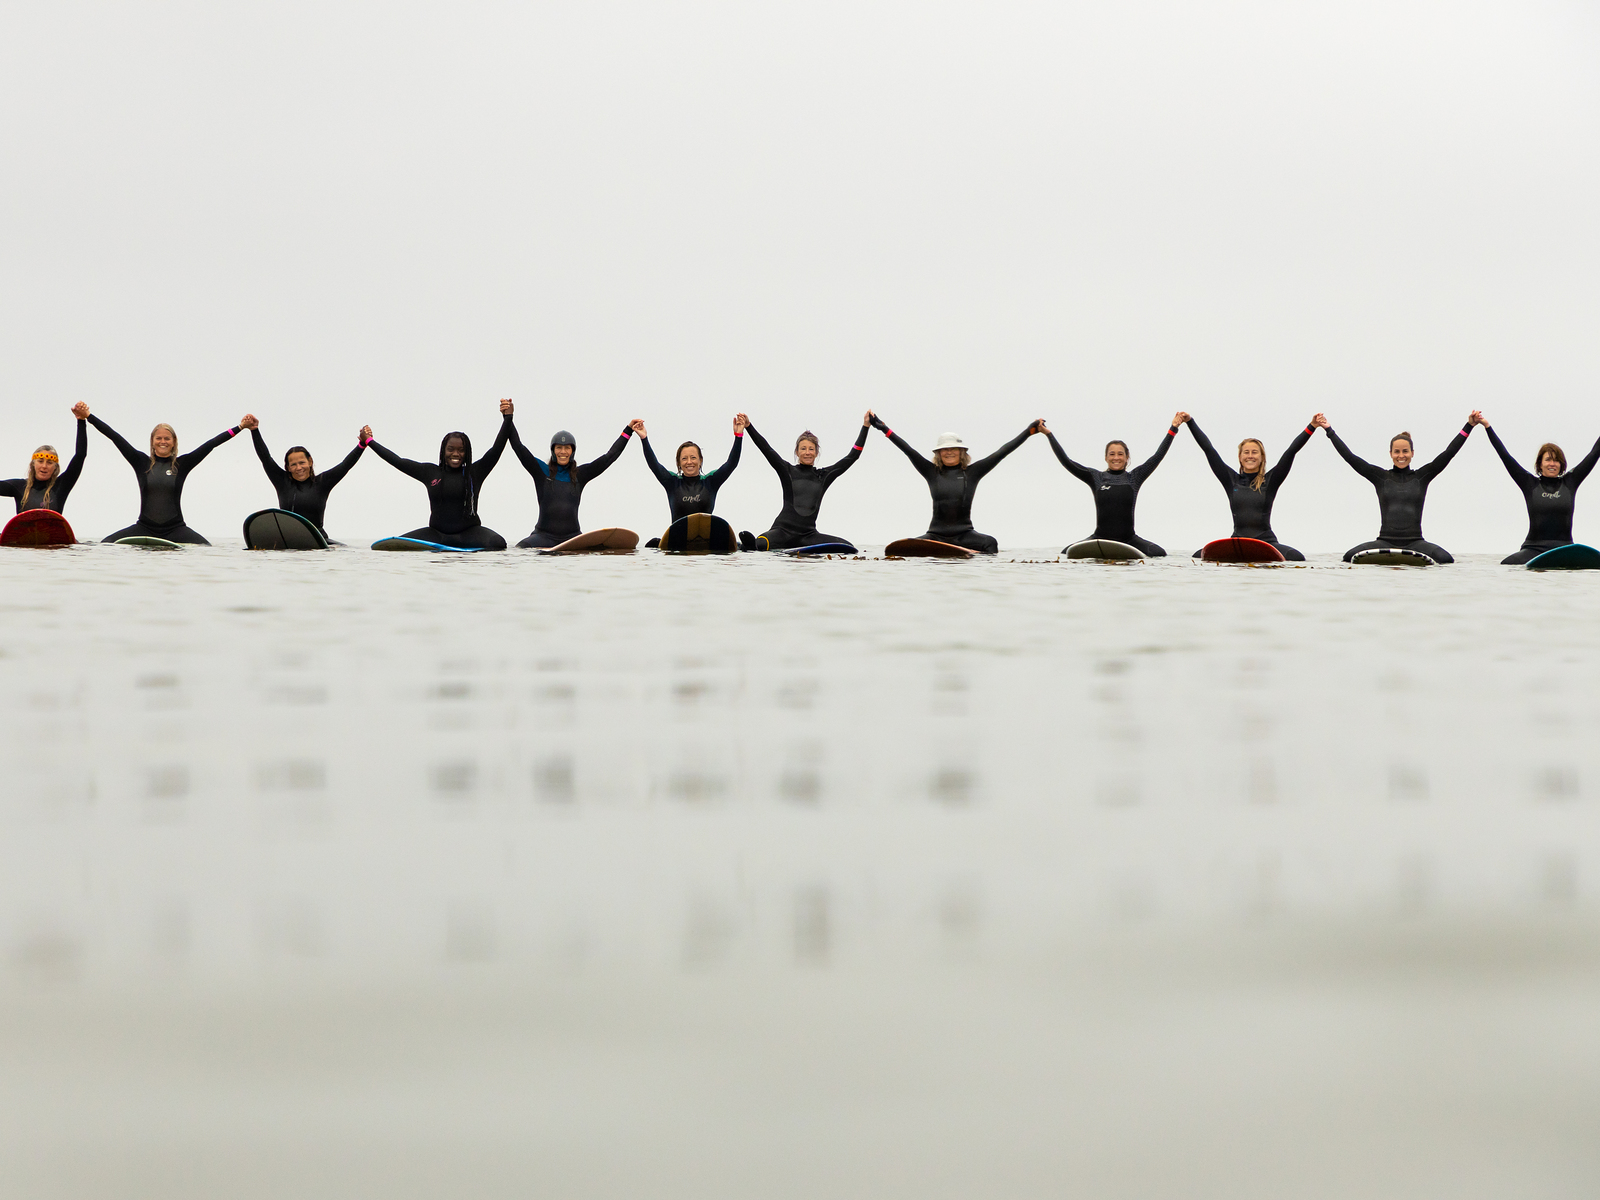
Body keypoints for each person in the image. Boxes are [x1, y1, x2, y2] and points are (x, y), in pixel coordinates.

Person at [871, 414, 1044, 553]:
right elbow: (908, 450)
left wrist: (1029, 431)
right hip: (935, 536)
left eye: (953, 448)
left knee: (990, 543)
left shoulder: (973, 473)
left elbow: (1002, 452)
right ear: (938, 453)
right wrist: (884, 429)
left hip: (964, 535)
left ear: (961, 452)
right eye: (944, 449)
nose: (949, 452)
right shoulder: (931, 472)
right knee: (901, 549)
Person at [1321, 413, 1481, 563]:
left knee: (1445, 559)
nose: (1401, 455)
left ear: (1412, 453)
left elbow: (1449, 453)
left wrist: (1469, 425)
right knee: (1348, 557)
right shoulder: (1381, 478)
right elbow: (1350, 458)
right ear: (1390, 453)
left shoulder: (1422, 477)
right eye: (1396, 452)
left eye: (1405, 451)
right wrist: (1329, 430)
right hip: (1384, 541)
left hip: (1415, 542)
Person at [364, 399, 515, 549]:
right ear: (443, 451)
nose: (455, 454)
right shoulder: (430, 472)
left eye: (461, 450)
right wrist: (370, 442)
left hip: (468, 534)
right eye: (451, 449)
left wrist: (507, 418)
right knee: (394, 544)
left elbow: (497, 449)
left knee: (498, 543)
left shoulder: (475, 472)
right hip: (436, 534)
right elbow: (398, 461)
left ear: (467, 452)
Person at [89, 411, 246, 544]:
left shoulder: (181, 464)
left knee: (206, 547)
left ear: (173, 442)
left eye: (167, 438)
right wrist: (88, 416)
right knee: (106, 543)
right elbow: (114, 436)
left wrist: (240, 427)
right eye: (158, 438)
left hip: (175, 529)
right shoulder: (141, 462)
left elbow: (211, 444)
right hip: (144, 527)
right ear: (152, 442)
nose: (162, 442)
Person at [1044, 414, 1188, 556]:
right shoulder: (1096, 478)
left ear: (1126, 458)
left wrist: (1173, 428)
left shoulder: (1134, 478)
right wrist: (1049, 434)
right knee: (1066, 552)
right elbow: (1066, 461)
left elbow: (1157, 456)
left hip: (1128, 540)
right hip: (1099, 538)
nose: (1116, 458)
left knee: (1158, 553)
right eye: (1112, 454)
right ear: (1106, 457)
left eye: (1120, 454)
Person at [1184, 416, 1322, 560]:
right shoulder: (1231, 480)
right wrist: (1190, 422)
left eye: (1255, 452)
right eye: (1246, 452)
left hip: (1266, 542)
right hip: (1237, 541)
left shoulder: (1271, 481)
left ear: (1262, 457)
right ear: (1240, 457)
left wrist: (1311, 426)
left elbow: (1291, 451)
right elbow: (1208, 450)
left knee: (1296, 557)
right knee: (1197, 555)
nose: (1250, 456)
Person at [739, 412, 871, 551]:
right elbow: (766, 449)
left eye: (811, 449)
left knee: (847, 547)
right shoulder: (787, 471)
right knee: (760, 543)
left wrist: (866, 426)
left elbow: (853, 456)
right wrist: (749, 426)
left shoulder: (824, 476)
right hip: (782, 532)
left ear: (816, 452)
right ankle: (749, 546)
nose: (807, 452)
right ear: (797, 452)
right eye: (803, 449)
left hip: (808, 535)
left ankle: (752, 545)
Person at [1478, 415, 1600, 564]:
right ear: (1540, 464)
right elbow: (1505, 455)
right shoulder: (1530, 484)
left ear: (1561, 465)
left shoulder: (1570, 482)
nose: (1552, 464)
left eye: (1556, 460)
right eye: (1548, 459)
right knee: (1505, 565)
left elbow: (1594, 453)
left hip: (1564, 549)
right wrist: (1488, 427)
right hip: (1533, 550)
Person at [507, 418, 635, 548]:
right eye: (559, 448)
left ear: (572, 451)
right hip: (544, 537)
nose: (563, 452)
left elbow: (609, 457)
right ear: (553, 450)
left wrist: (628, 430)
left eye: (567, 448)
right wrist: (508, 417)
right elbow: (519, 447)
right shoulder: (541, 471)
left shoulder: (580, 475)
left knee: (601, 550)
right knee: (520, 549)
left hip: (573, 537)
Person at [240, 414, 366, 537]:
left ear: (310, 462)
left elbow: (345, 465)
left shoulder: (322, 482)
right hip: (288, 538)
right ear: (288, 467)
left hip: (316, 539)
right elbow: (265, 458)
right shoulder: (281, 481)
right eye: (293, 464)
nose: (298, 468)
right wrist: (254, 430)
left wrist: (362, 445)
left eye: (302, 463)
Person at [635, 415, 745, 546]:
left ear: (700, 461)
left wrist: (738, 436)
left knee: (739, 545)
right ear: (679, 463)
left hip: (707, 541)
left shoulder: (710, 481)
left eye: (693, 457)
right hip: (679, 542)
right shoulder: (672, 482)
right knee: (652, 544)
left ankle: (748, 546)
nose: (689, 462)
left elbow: (731, 464)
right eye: (684, 459)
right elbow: (654, 465)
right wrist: (644, 438)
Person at [2, 403, 91, 514]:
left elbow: (80, 455)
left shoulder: (61, 486)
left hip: (50, 531)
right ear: (33, 465)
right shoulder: (19, 487)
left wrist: (81, 421)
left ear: (55, 468)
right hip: (25, 531)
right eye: (40, 461)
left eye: (49, 463)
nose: (44, 466)